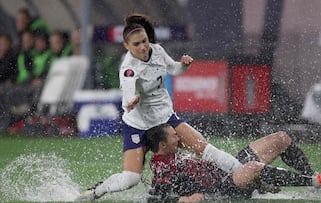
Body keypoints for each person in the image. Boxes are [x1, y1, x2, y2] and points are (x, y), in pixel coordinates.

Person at [76, 13, 243, 201]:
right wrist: (132, 100)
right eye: (136, 44)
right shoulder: (128, 68)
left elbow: (174, 69)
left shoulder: (157, 51)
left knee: (203, 149)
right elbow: (128, 93)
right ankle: (95, 192)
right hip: (138, 125)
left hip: (165, 117)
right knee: (131, 178)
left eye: (144, 41)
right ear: (126, 46)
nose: (143, 47)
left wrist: (184, 66)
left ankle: (245, 177)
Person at [146, 123, 321, 202]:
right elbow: (155, 198)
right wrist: (186, 199)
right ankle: (318, 181)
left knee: (281, 138)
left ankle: (312, 175)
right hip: (223, 188)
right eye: (174, 136)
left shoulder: (177, 151)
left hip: (229, 170)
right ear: (162, 145)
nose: (179, 138)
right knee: (253, 168)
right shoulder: (162, 164)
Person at [0, 33, 17, 130]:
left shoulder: (12, 56)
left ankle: (5, 125)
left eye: (4, 43)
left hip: (10, 86)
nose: (1, 46)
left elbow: (5, 72)